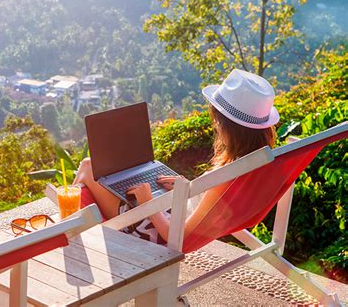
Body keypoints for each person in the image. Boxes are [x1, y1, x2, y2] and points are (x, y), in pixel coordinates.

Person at [73, 69, 280, 243]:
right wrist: (189, 188)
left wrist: (148, 204)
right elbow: (210, 208)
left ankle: (72, 231)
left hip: (155, 231)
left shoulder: (225, 178)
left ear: (227, 127)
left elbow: (178, 238)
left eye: (217, 120)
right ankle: (77, 224)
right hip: (172, 212)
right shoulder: (258, 164)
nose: (215, 125)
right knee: (102, 173)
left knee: (87, 167)